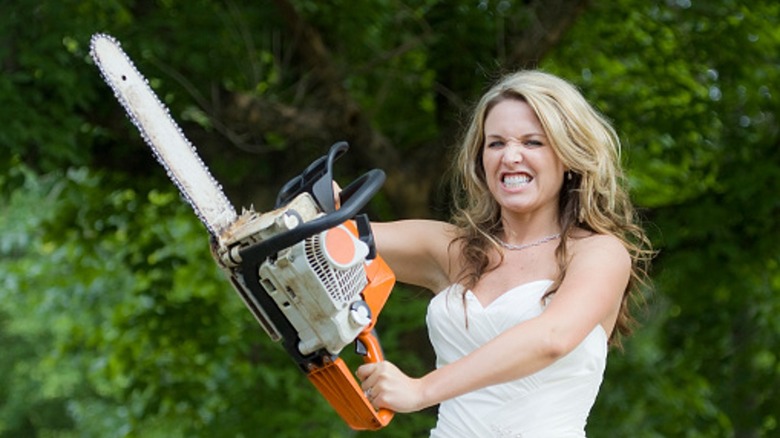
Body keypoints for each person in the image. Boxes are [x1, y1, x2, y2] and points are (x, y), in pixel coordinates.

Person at [353, 70, 654, 437]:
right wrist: (311, 215)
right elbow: (332, 239)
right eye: (496, 144)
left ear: (569, 155)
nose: (511, 157)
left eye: (532, 142)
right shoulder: (450, 249)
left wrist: (421, 390)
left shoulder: (599, 253)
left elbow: (551, 337)